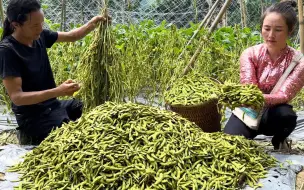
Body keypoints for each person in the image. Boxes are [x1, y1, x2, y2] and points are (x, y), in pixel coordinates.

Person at [0, 0, 110, 145]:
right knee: (73, 137)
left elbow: (72, 36)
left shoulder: (39, 36)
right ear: (16, 25)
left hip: (53, 106)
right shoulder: (8, 51)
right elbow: (18, 97)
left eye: (42, 23)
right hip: (33, 118)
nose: (40, 28)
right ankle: (28, 137)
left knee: (92, 108)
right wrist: (58, 91)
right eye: (35, 25)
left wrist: (93, 24)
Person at [224, 0, 304, 150]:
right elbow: (249, 89)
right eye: (266, 28)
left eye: (278, 30)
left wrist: (255, 97)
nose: (271, 35)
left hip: (273, 116)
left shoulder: (299, 62)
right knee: (230, 144)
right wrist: (236, 96)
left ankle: (278, 139)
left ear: (290, 30)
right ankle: (246, 132)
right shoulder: (250, 54)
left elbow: (284, 95)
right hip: (248, 111)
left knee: (287, 116)